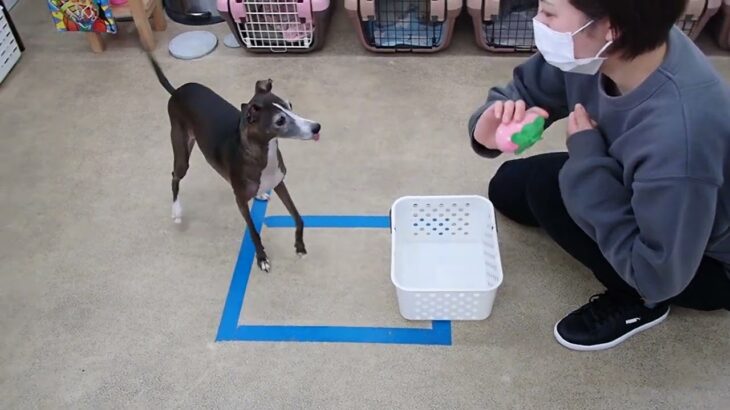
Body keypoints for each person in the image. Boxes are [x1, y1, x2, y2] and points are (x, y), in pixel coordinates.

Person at [468, 0, 730, 351]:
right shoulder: (605, 49)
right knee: (507, 188)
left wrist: (588, 159)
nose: (537, 21)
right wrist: (490, 126)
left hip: (697, 262)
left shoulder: (680, 138)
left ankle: (636, 303)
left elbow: (659, 273)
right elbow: (529, 88)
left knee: (552, 189)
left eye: (548, 14)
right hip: (639, 184)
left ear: (611, 29)